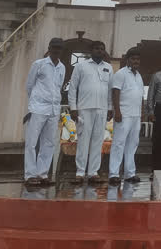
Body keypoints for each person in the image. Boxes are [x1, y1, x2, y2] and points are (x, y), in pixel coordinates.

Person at [68, 41, 112, 184]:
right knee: (83, 141)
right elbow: (73, 87)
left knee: (97, 142)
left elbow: (111, 90)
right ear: (91, 50)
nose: (100, 51)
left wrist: (110, 108)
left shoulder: (109, 67)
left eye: (102, 49)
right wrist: (73, 108)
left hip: (102, 109)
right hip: (84, 109)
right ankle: (80, 173)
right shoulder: (81, 66)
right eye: (97, 49)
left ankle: (93, 172)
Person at [23, 38, 66, 186]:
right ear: (49, 48)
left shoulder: (62, 67)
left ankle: (42, 174)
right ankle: (30, 175)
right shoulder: (39, 64)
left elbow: (58, 87)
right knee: (31, 142)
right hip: (38, 108)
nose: (56, 50)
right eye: (54, 47)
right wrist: (34, 103)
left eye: (59, 48)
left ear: (62, 50)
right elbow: (29, 86)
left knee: (49, 143)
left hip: (54, 109)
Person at [109, 48, 144, 184]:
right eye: (133, 58)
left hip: (135, 115)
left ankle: (130, 173)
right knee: (118, 143)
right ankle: (113, 174)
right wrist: (117, 111)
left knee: (133, 144)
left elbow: (140, 95)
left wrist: (142, 113)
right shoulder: (121, 74)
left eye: (138, 59)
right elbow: (115, 93)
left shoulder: (138, 75)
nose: (136, 61)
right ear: (128, 60)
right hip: (123, 114)